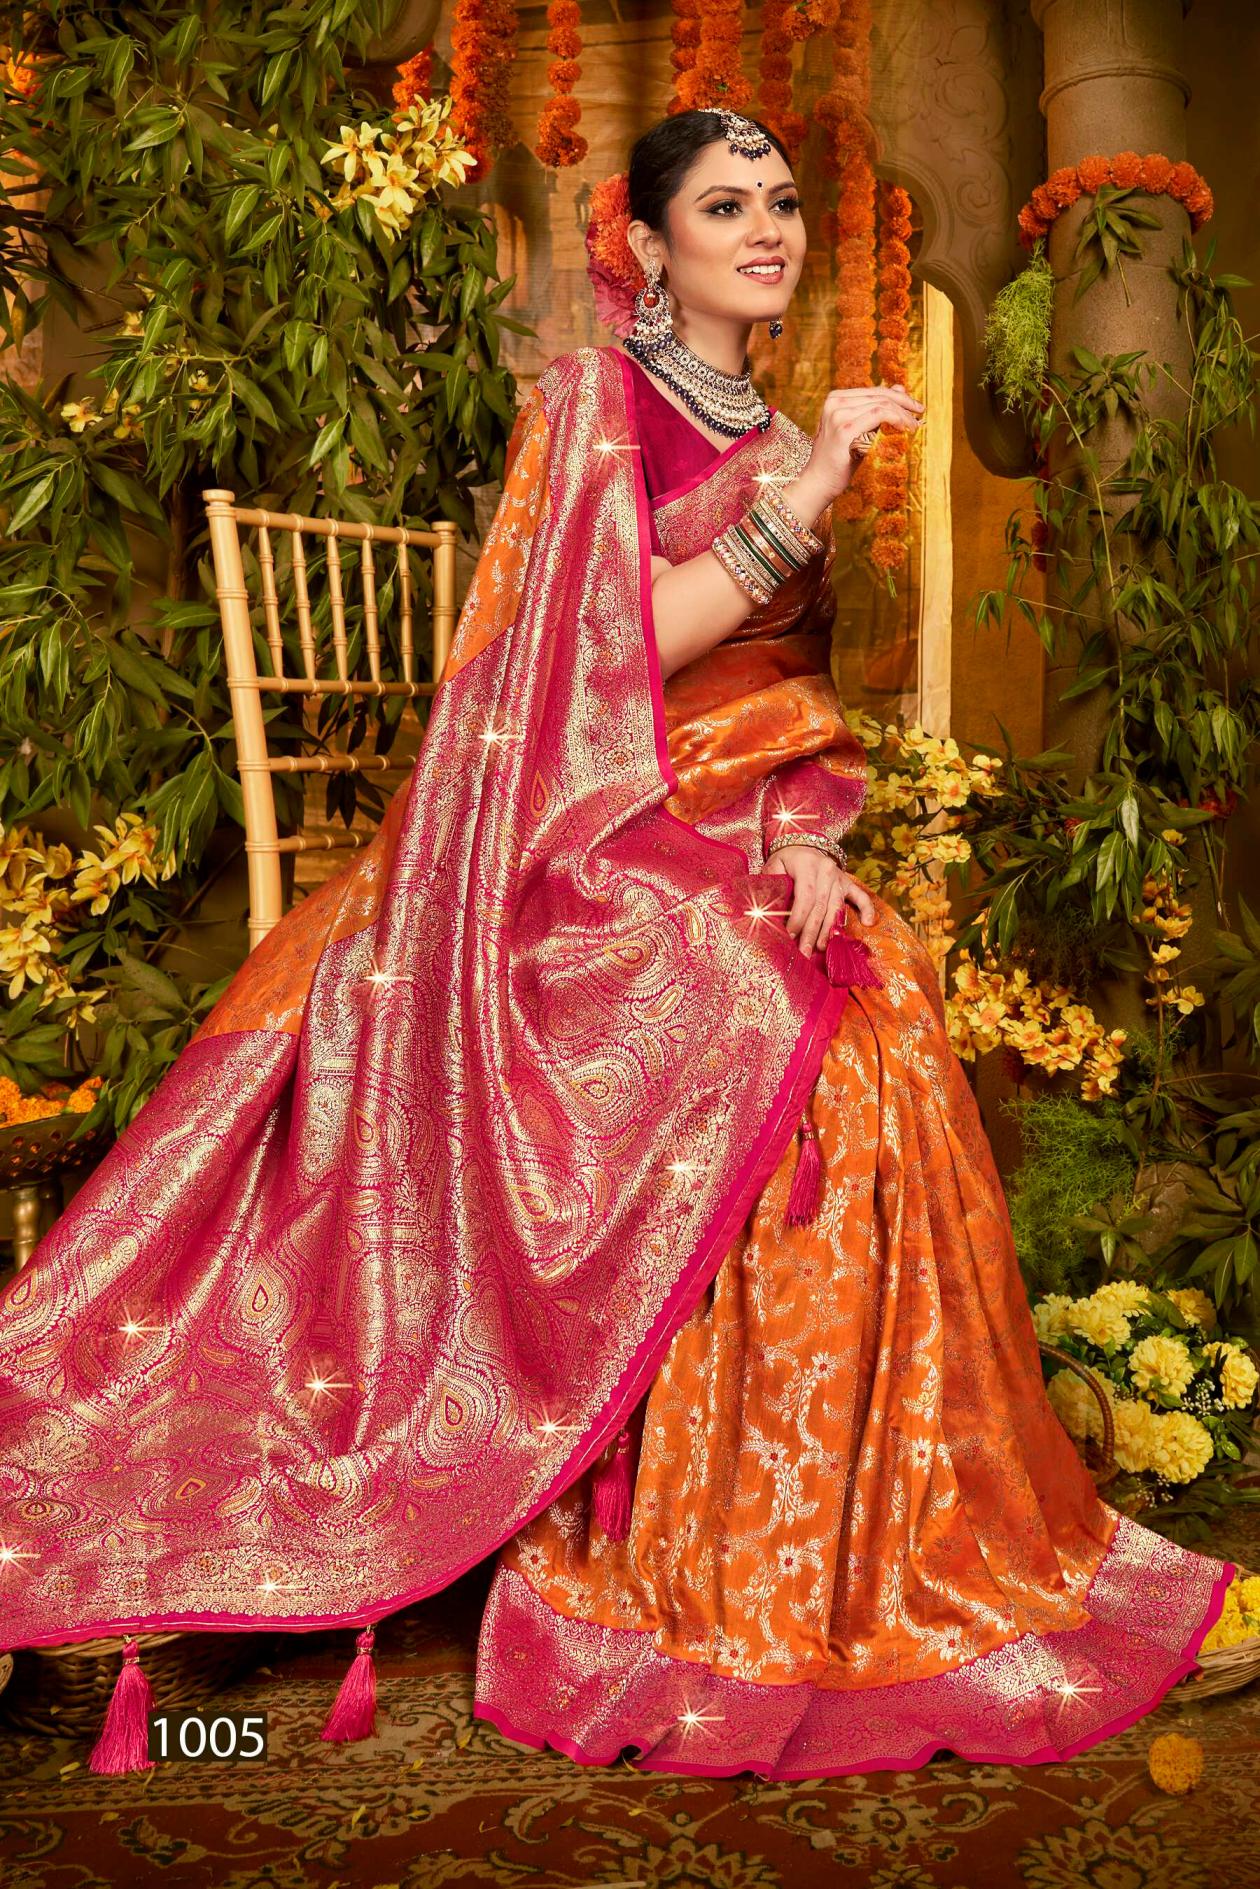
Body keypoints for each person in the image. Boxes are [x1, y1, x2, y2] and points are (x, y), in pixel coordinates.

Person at [0, 107, 1233, 1783]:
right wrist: (809, 491)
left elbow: (791, 699)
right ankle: (673, 1529)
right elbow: (609, 662)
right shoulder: (594, 401)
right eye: (726, 206)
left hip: (728, 818)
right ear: (650, 245)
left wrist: (807, 833)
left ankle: (839, 1537)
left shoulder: (775, 420)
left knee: (872, 1004)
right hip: (582, 822)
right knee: (757, 1006)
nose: (769, 228)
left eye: (781, 201)